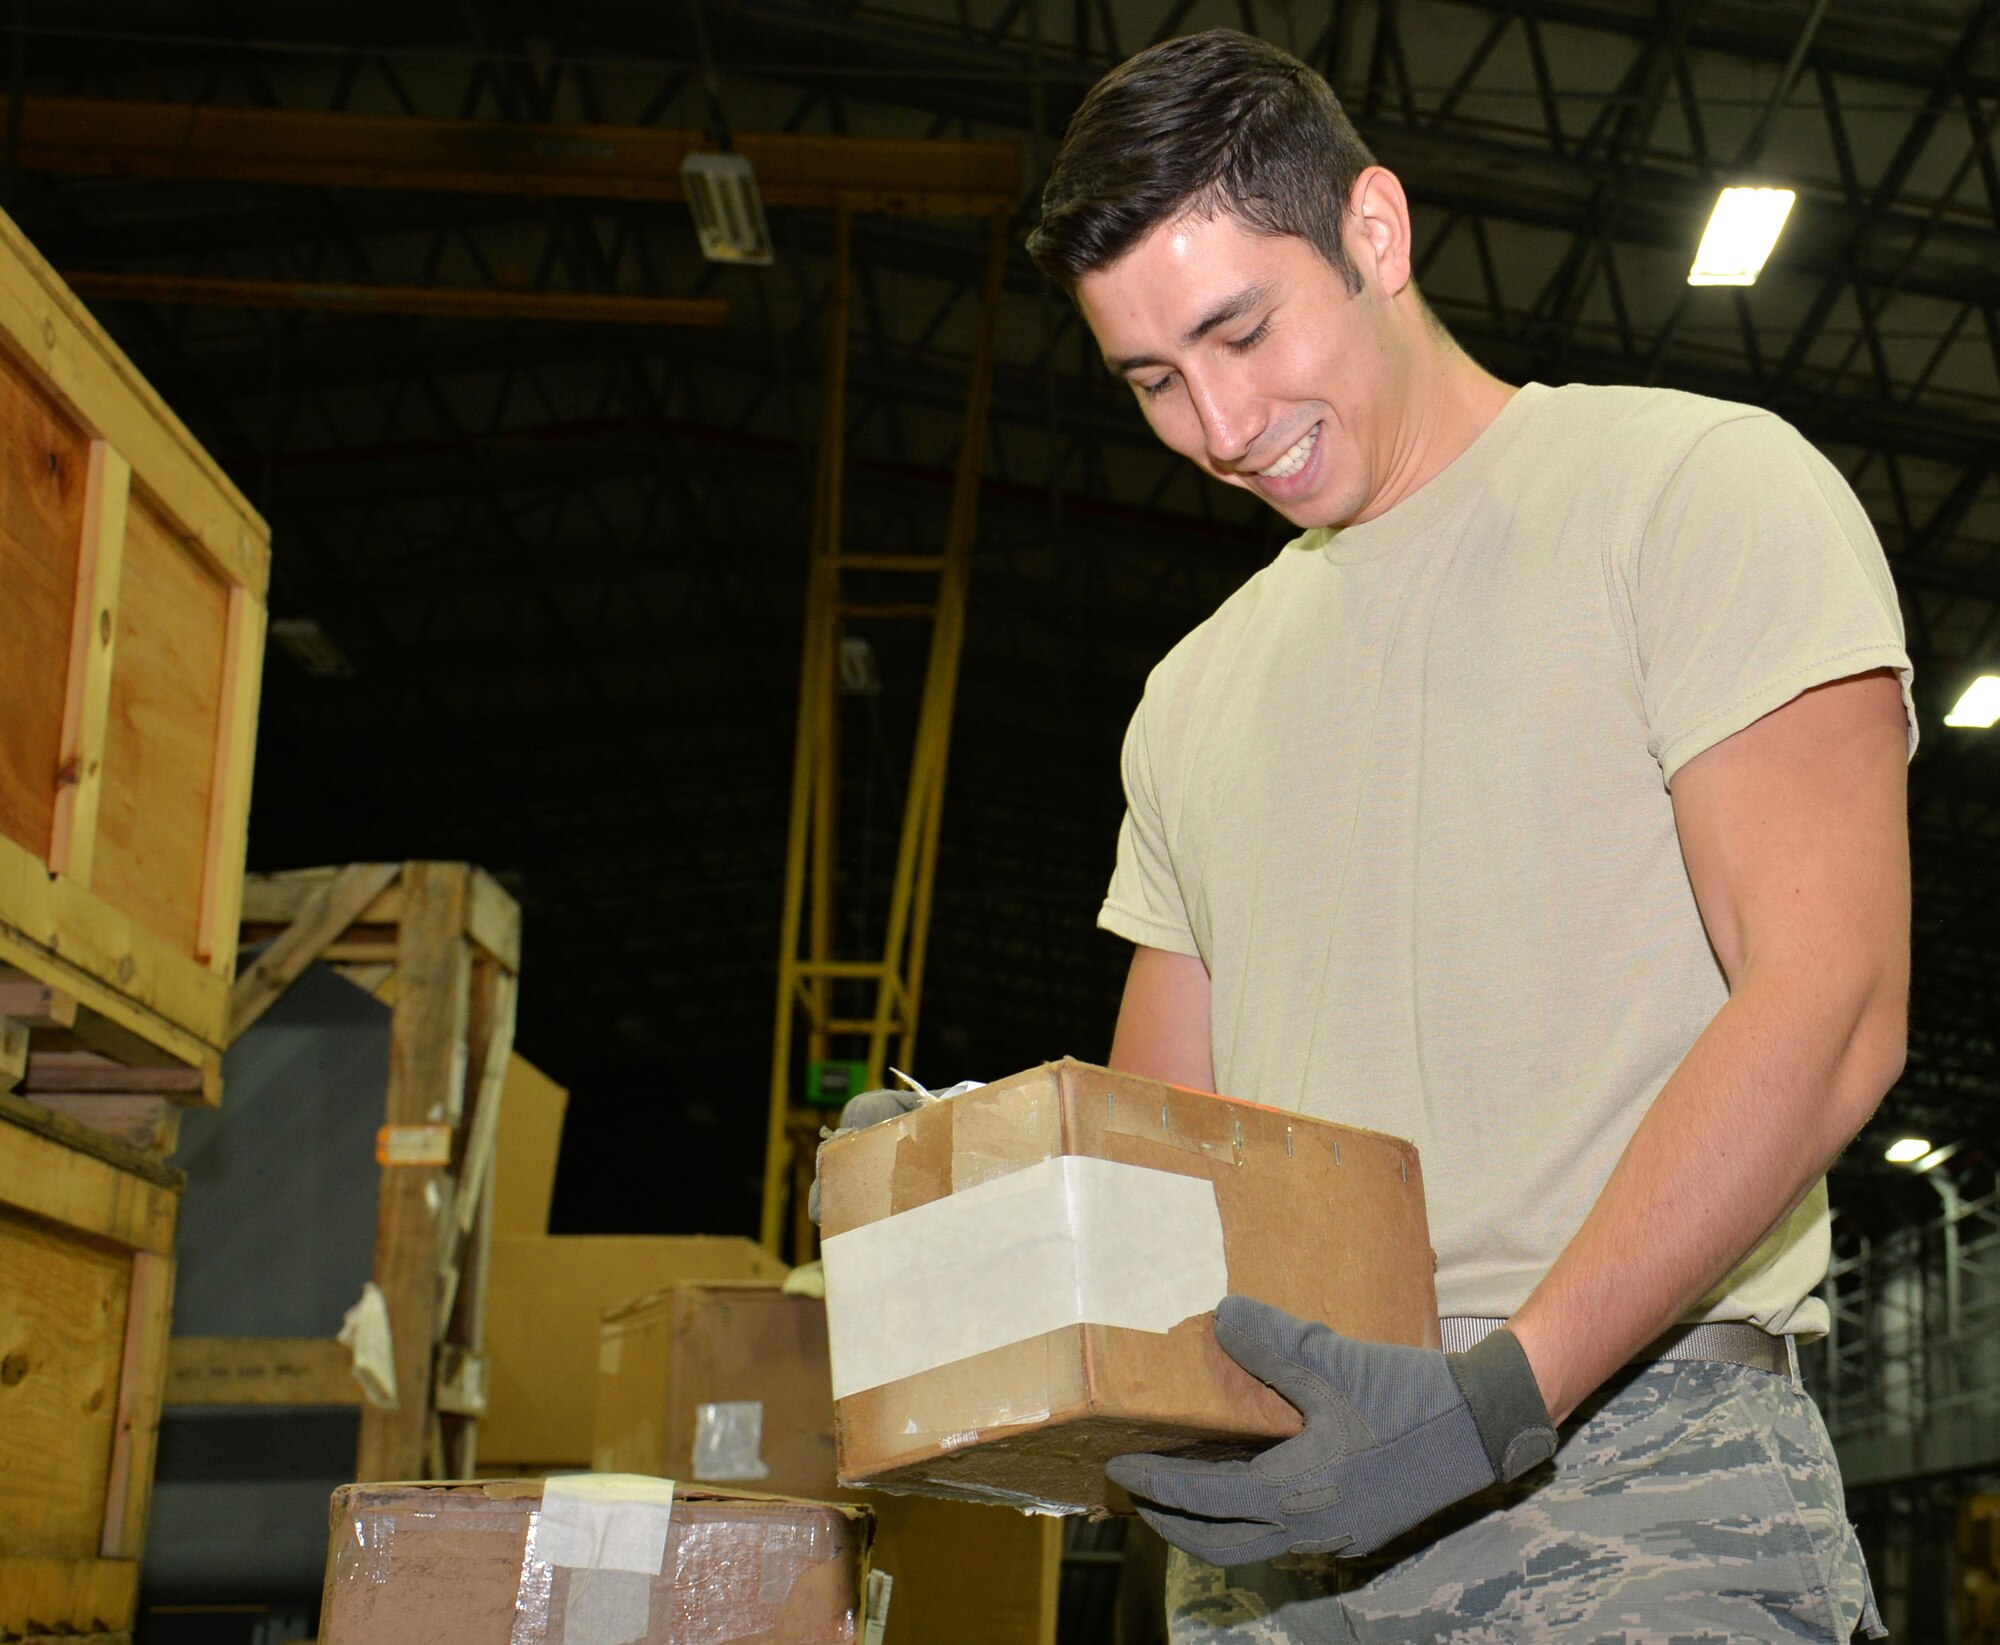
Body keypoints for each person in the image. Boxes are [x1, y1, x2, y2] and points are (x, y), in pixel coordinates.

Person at [1024, 29, 1912, 1645]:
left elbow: (1832, 997)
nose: (1218, 423)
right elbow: (1173, 1147)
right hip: (1283, 1519)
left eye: (1241, 329)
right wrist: (980, 1212)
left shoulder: (1691, 494)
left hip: (1624, 1481)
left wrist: (1498, 1393)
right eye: (1152, 379)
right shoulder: (1194, 696)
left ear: (1376, 230)